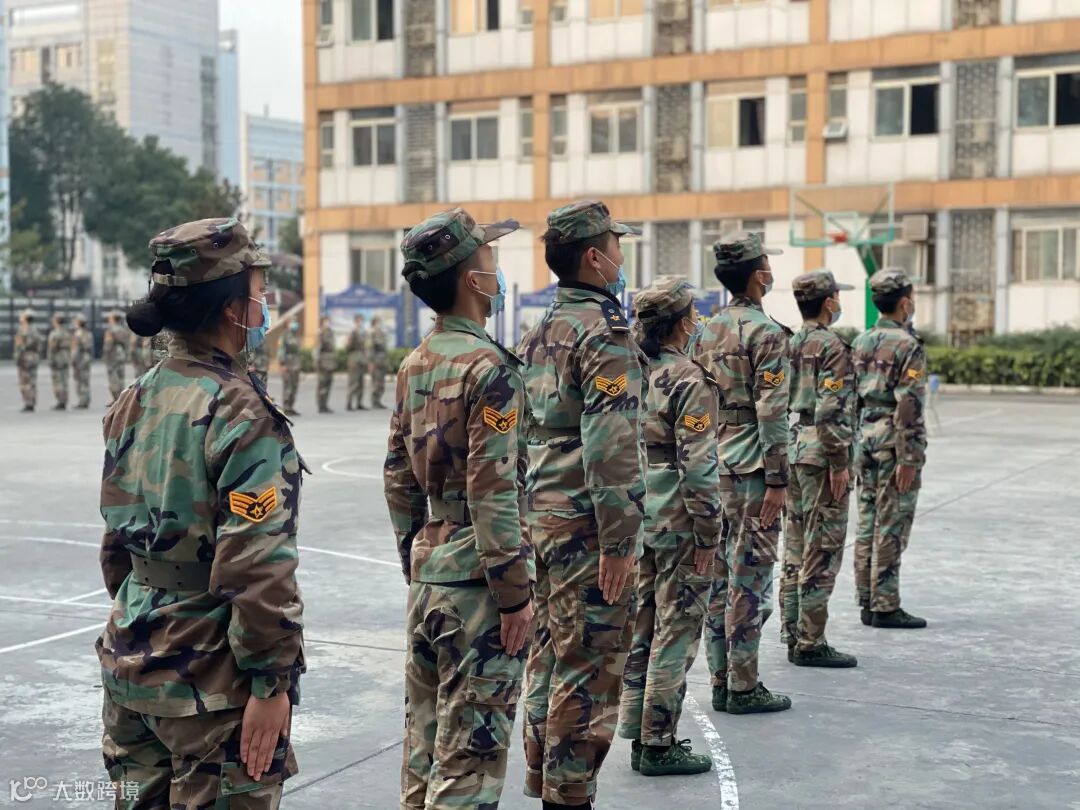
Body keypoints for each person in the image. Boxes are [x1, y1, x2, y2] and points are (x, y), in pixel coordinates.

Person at [97, 217, 306, 807]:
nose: (265, 305)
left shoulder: (134, 398)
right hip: (212, 686)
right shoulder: (241, 412)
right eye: (260, 293)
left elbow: (116, 544)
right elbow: (258, 564)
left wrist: (148, 612)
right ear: (231, 308)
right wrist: (270, 682)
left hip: (132, 662)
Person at [386, 208, 533, 809]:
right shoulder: (490, 369)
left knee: (423, 750)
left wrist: (416, 557)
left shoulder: (415, 363)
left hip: (432, 571)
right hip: (478, 584)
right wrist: (514, 593)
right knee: (469, 761)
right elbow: (494, 489)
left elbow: (398, 477)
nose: (498, 272)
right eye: (490, 260)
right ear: (473, 280)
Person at [518, 200, 645, 808]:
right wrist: (618, 541)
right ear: (595, 258)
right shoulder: (605, 333)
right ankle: (569, 795)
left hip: (542, 515)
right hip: (587, 525)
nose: (622, 256)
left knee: (550, 653)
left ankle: (544, 778)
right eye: (616, 246)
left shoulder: (540, 330)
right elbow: (610, 445)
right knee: (588, 665)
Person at [617, 277, 719, 777]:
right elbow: (698, 466)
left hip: (638, 511)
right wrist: (709, 532)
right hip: (679, 516)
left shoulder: (629, 372)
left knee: (642, 624)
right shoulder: (689, 378)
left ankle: (636, 730)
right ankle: (659, 742)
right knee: (676, 628)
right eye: (693, 314)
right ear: (682, 324)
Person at [694, 231, 793, 715]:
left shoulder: (704, 330)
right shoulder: (766, 333)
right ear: (759, 276)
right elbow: (772, 411)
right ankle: (744, 684)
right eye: (767, 267)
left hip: (711, 462)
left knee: (717, 578)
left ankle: (720, 679)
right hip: (752, 467)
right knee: (750, 579)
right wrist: (777, 479)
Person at [781, 270, 859, 668]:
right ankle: (811, 641)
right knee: (822, 548)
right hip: (821, 453)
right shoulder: (831, 346)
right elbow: (831, 409)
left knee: (795, 546)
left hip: (795, 446)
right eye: (837, 297)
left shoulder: (791, 341)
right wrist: (840, 461)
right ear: (829, 302)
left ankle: (792, 630)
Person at [852, 267, 929, 629]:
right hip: (892, 441)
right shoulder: (908, 345)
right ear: (904, 303)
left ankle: (867, 600)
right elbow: (908, 404)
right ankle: (885, 604)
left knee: (868, 520)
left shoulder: (861, 341)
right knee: (892, 521)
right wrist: (909, 456)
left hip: (864, 437)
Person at [14, 309, 43, 412]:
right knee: (32, 381)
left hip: (25, 358)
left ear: (26, 318)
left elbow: (21, 346)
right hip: (33, 357)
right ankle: (32, 401)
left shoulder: (24, 330)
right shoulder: (35, 330)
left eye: (22, 316)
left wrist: (17, 358)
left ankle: (28, 403)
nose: (20, 317)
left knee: (25, 381)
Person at [46, 314, 72, 411]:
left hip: (57, 359)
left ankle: (60, 401)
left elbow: (52, 348)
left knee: (57, 381)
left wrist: (50, 360)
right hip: (65, 358)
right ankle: (64, 400)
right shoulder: (66, 333)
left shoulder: (55, 333)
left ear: (56, 321)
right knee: (64, 380)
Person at [103, 311, 129, 405]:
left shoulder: (110, 330)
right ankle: (122, 399)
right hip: (121, 354)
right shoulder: (123, 329)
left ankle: (116, 399)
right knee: (121, 377)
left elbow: (108, 344)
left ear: (113, 319)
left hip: (113, 355)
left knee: (113, 377)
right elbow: (126, 343)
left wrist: (105, 355)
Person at [279, 320, 303, 417]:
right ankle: (286, 407)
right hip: (288, 363)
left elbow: (298, 351)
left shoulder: (296, 336)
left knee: (294, 386)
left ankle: (291, 407)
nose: (294, 325)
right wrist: (282, 364)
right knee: (288, 385)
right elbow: (281, 350)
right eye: (291, 323)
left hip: (296, 364)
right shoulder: (284, 335)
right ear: (287, 324)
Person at [345, 314, 369, 410]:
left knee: (361, 383)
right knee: (353, 382)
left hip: (361, 359)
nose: (361, 323)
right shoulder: (352, 332)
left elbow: (365, 346)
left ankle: (359, 403)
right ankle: (349, 403)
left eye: (362, 321)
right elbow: (348, 346)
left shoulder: (363, 333)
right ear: (355, 322)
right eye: (359, 321)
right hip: (354, 359)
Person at [72, 314, 94, 409]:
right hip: (87, 358)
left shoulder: (78, 334)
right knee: (86, 380)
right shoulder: (88, 333)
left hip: (80, 358)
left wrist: (73, 360)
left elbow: (76, 349)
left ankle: (82, 401)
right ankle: (86, 399)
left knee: (80, 380)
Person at [316, 316, 336, 413]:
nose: (327, 323)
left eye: (328, 321)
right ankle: (321, 405)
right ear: (322, 323)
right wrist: (317, 363)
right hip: (323, 362)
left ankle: (325, 404)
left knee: (328, 384)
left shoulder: (331, 333)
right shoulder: (321, 334)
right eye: (325, 322)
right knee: (322, 384)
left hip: (330, 362)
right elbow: (317, 350)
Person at [368, 316, 389, 409]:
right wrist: (371, 362)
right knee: (376, 382)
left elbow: (385, 349)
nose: (379, 325)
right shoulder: (371, 334)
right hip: (376, 361)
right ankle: (374, 401)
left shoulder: (382, 334)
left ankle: (378, 400)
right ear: (373, 324)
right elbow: (370, 349)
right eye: (377, 323)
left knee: (381, 383)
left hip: (383, 361)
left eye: (379, 323)